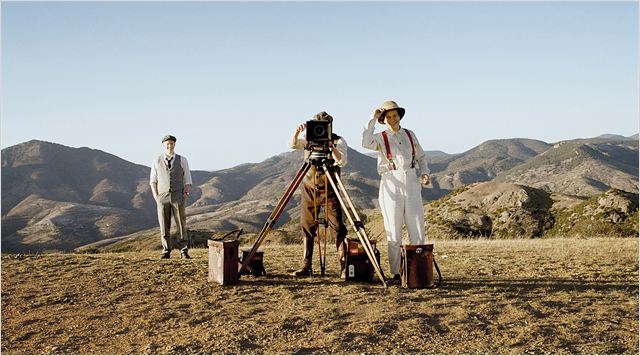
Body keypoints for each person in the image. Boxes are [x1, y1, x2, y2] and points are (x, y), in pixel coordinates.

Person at [361, 100, 431, 281]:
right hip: (391, 180)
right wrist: (373, 118)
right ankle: (396, 271)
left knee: (417, 226)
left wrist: (424, 173)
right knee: (393, 228)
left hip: (412, 180)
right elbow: (365, 141)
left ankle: (418, 268)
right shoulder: (380, 137)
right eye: (388, 116)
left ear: (399, 116)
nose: (392, 119)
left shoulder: (410, 134)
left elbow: (422, 156)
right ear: (384, 119)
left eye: (395, 115)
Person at [290, 111, 349, 277]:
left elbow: (342, 161)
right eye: (318, 124)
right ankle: (306, 265)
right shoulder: (309, 138)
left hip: (330, 188)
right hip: (310, 187)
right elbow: (293, 145)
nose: (320, 128)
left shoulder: (338, 140)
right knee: (307, 226)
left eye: (324, 124)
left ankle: (344, 265)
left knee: (337, 227)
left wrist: (331, 147)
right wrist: (296, 133)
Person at [150, 135, 193, 259]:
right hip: (162, 196)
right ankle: (166, 250)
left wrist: (185, 193)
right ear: (164, 145)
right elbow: (153, 180)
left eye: (171, 144)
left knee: (181, 223)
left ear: (174, 144)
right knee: (164, 224)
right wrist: (155, 196)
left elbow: (188, 179)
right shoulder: (156, 160)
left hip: (178, 195)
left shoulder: (182, 160)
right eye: (167, 144)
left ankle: (183, 250)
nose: (169, 146)